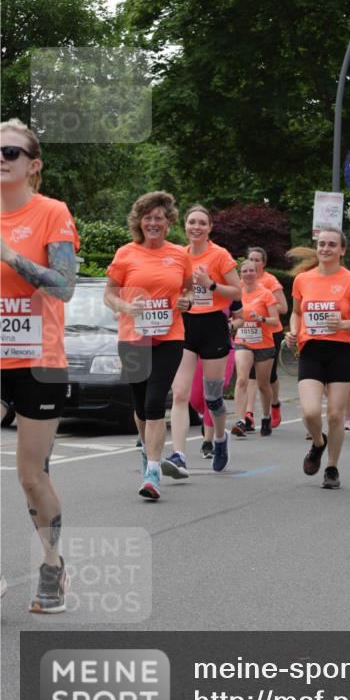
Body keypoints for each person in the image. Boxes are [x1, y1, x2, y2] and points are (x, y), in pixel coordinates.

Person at [0, 119, 79, 612]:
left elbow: (65, 285)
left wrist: (11, 257)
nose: (1, 158)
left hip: (38, 359)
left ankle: (51, 564)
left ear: (34, 165)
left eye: (11, 151)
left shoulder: (51, 213)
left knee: (31, 476)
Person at [104, 192, 193, 500]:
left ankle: (153, 471)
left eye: (159, 217)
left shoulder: (180, 255)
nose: (153, 222)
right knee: (140, 406)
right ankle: (147, 452)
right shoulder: (126, 253)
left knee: (156, 402)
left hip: (169, 337)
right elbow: (109, 295)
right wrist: (126, 308)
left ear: (168, 222)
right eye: (147, 217)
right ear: (139, 222)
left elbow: (188, 291)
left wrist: (186, 302)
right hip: (132, 338)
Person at [285, 230, 350, 489]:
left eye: (332, 245)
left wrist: (343, 323)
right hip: (311, 350)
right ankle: (318, 443)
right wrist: (293, 332)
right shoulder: (302, 280)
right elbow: (296, 313)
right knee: (310, 412)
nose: (325, 248)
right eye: (322, 244)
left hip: (341, 352)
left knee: (335, 415)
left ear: (342, 250)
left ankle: (332, 468)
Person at [165, 206, 240, 475]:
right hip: (185, 326)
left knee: (212, 397)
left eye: (202, 223)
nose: (196, 227)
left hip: (213, 327)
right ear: (185, 226)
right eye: (191, 222)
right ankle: (178, 455)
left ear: (210, 227)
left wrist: (210, 284)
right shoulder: (177, 255)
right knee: (181, 394)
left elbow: (236, 291)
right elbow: (175, 291)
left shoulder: (219, 255)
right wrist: (180, 301)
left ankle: (220, 439)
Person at [230, 260, 280, 436]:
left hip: (264, 344)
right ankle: (241, 420)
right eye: (245, 271)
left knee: (263, 385)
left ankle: (266, 416)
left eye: (252, 270)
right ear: (240, 274)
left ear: (257, 273)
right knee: (242, 379)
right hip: (243, 340)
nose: (249, 273)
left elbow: (275, 321)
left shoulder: (266, 294)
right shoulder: (237, 294)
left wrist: (261, 318)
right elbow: (230, 314)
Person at [242, 247, 288, 430]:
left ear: (264, 263)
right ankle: (249, 415)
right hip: (248, 332)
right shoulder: (242, 281)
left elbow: (283, 308)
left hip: (270, 331)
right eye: (250, 259)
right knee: (249, 375)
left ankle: (274, 404)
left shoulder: (270, 281)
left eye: (257, 260)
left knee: (269, 377)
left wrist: (263, 308)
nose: (253, 263)